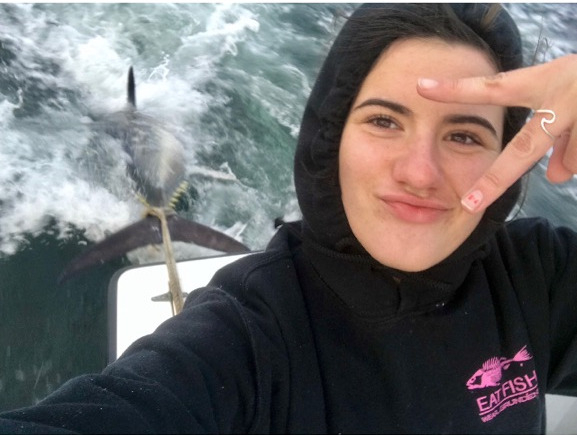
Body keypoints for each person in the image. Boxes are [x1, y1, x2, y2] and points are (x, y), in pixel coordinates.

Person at [2, 3, 577, 433]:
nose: (420, 173)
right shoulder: (246, 339)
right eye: (383, 121)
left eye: (464, 134)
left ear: (510, 152)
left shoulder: (538, 277)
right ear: (330, 137)